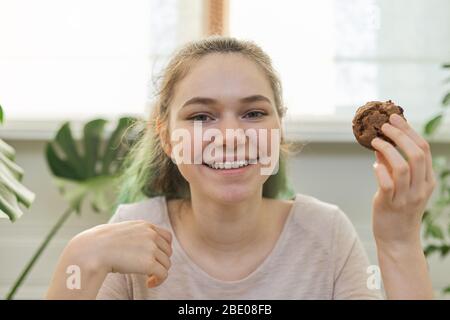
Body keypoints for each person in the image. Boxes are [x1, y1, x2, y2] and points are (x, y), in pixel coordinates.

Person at [46, 36, 435, 299]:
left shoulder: (326, 235)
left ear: (278, 129)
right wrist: (79, 258)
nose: (231, 135)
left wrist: (399, 241)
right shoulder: (128, 235)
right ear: (167, 138)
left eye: (253, 113)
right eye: (201, 116)